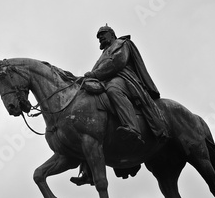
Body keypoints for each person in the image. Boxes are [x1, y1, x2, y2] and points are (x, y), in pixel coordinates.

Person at [70, 24, 168, 186]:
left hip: (126, 80)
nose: (100, 38)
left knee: (113, 89)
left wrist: (93, 74)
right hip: (106, 80)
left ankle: (132, 127)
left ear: (111, 34)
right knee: (87, 110)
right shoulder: (103, 54)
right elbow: (99, 70)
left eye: (102, 34)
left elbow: (117, 62)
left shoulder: (121, 44)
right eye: (98, 36)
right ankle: (88, 171)